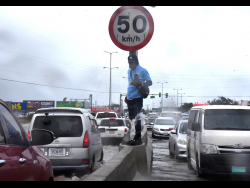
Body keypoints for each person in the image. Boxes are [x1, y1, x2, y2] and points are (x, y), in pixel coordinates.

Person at [125, 54, 152, 145]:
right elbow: (130, 84)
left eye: (132, 63)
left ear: (136, 62)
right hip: (130, 97)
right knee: (131, 119)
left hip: (137, 97)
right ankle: (132, 137)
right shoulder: (129, 71)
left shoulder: (143, 70)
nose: (130, 65)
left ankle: (138, 138)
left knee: (137, 118)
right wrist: (127, 96)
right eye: (129, 63)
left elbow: (150, 82)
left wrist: (141, 84)